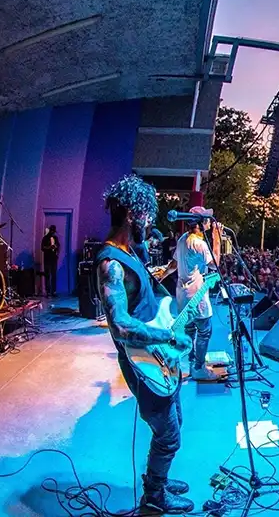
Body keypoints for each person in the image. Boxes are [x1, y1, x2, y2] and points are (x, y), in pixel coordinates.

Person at [95, 175, 194, 514]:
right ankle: (154, 496)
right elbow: (121, 324)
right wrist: (168, 335)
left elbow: (147, 294)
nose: (151, 221)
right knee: (168, 435)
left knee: (176, 418)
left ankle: (159, 480)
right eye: (147, 215)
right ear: (132, 215)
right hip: (143, 359)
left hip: (160, 352)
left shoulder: (131, 250)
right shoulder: (110, 264)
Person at [173, 207, 221, 381]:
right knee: (205, 330)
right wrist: (217, 238)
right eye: (208, 219)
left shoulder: (182, 239)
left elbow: (173, 263)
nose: (210, 222)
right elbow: (216, 264)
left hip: (182, 295)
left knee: (190, 328)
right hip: (197, 296)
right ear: (202, 223)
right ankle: (199, 368)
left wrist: (162, 274)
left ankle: (192, 361)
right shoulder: (200, 244)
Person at [41, 224, 61, 297]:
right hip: (47, 258)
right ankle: (48, 291)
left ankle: (54, 291)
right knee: (47, 275)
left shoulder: (55, 238)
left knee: (54, 275)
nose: (53, 233)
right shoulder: (45, 238)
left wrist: (57, 250)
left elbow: (58, 246)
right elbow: (42, 248)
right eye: (52, 231)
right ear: (50, 231)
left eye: (54, 232)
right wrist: (49, 247)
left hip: (53, 258)